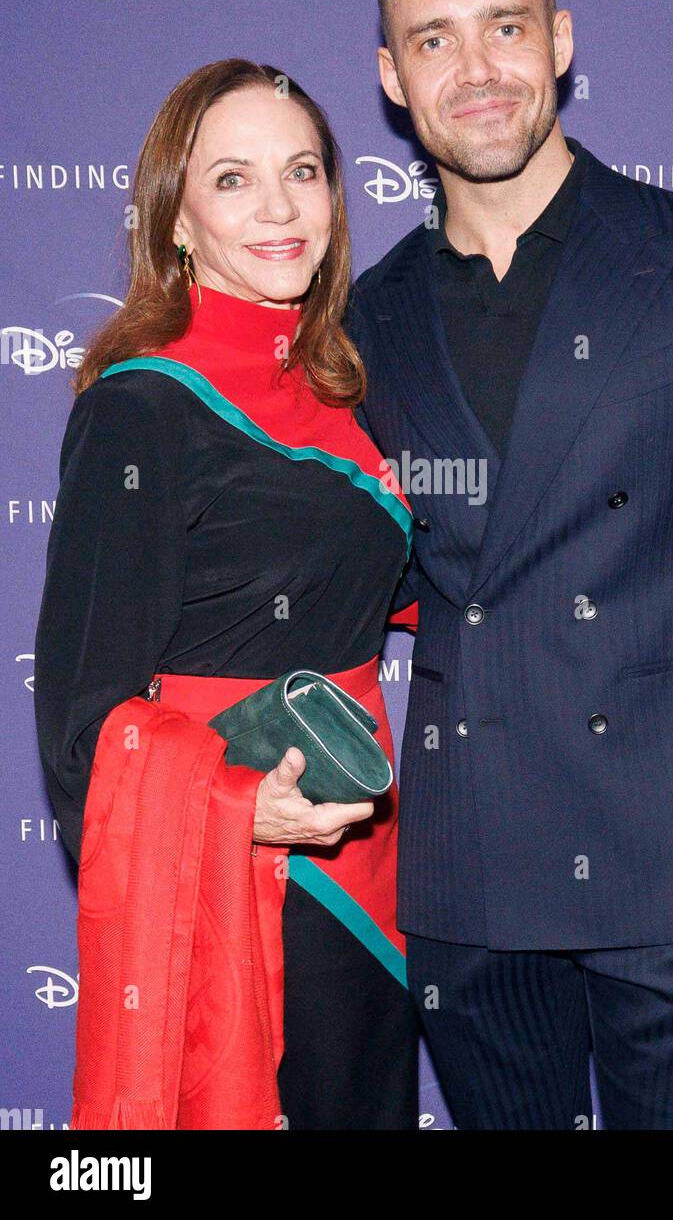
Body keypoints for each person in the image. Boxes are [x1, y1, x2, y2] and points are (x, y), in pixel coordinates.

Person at [344, 0, 673, 1130]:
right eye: (433, 40)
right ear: (392, 78)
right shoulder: (367, 318)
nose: (475, 70)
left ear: (558, 39)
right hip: (470, 855)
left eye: (503, 26)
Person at [34, 58, 419, 1130]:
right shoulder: (139, 411)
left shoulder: (345, 390)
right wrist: (244, 805)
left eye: (301, 171)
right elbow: (82, 723)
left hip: (368, 860)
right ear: (177, 221)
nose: (280, 205)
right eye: (235, 179)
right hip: (247, 879)